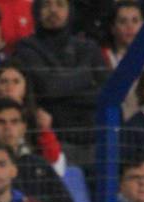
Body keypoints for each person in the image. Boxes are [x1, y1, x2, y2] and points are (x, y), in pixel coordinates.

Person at [14, 0, 109, 163]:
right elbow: (49, 87)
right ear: (36, 11)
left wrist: (62, 92)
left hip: (94, 138)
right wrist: (86, 76)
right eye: (46, 5)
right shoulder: (26, 48)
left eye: (60, 5)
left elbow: (105, 92)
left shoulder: (89, 47)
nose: (53, 10)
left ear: (70, 10)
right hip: (54, 140)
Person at [0, 98, 76, 202]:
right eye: (1, 122)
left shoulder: (38, 165)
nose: (8, 128)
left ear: (24, 127)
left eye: (14, 122)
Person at [0, 59, 65, 176]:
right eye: (3, 82)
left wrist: (45, 131)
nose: (9, 87)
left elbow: (57, 166)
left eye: (16, 81)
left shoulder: (38, 118)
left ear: (25, 87)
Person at [101, 0, 144, 121]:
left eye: (135, 21)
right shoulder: (101, 58)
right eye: (123, 21)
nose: (130, 26)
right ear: (113, 28)